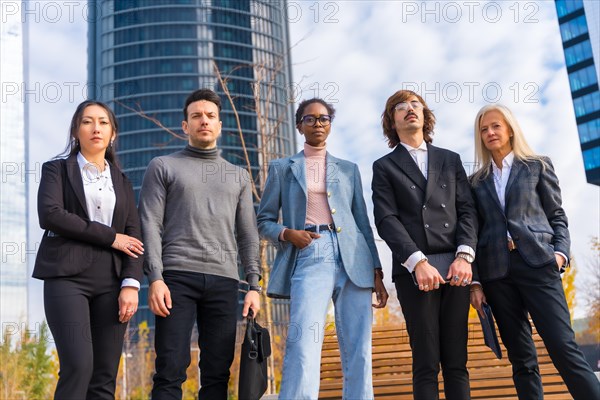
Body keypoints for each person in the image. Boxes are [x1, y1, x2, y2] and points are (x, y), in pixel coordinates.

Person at [257, 98, 388, 399]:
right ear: (299, 124)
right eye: (310, 118)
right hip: (310, 251)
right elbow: (263, 221)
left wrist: (377, 272)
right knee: (303, 342)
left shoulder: (349, 169)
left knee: (359, 348)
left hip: (354, 257)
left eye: (324, 118)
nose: (318, 124)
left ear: (331, 123)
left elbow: (363, 223)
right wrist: (289, 233)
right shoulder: (282, 168)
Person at [469, 104, 600, 400]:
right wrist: (476, 281)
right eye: (483, 129)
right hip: (497, 274)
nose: (489, 132)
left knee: (563, 347)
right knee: (522, 359)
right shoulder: (475, 182)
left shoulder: (537, 165)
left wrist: (559, 255)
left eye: (495, 126)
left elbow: (557, 216)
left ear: (510, 128)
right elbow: (472, 233)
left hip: (539, 264)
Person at [139, 88, 261, 399]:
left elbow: (247, 233)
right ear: (185, 125)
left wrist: (254, 286)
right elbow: (150, 223)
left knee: (218, 374)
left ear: (220, 125)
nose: (203, 121)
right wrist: (155, 278)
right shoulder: (163, 166)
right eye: (196, 116)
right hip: (176, 278)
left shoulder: (239, 176)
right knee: (170, 369)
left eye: (210, 116)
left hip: (224, 281)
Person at [33, 100, 144, 399]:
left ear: (113, 134)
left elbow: (134, 235)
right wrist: (110, 237)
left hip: (111, 282)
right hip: (66, 277)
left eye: (103, 122)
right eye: (87, 121)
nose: (96, 128)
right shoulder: (56, 170)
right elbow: (51, 214)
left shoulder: (122, 182)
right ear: (75, 131)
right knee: (79, 366)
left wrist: (131, 284)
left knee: (104, 376)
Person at [371, 90, 478, 400]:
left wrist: (464, 256)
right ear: (392, 122)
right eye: (400, 108)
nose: (409, 110)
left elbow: (468, 210)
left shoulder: (450, 159)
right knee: (426, 363)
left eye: (415, 105)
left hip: (457, 267)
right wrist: (418, 262)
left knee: (457, 361)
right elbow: (386, 219)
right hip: (413, 271)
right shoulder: (384, 166)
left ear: (425, 114)